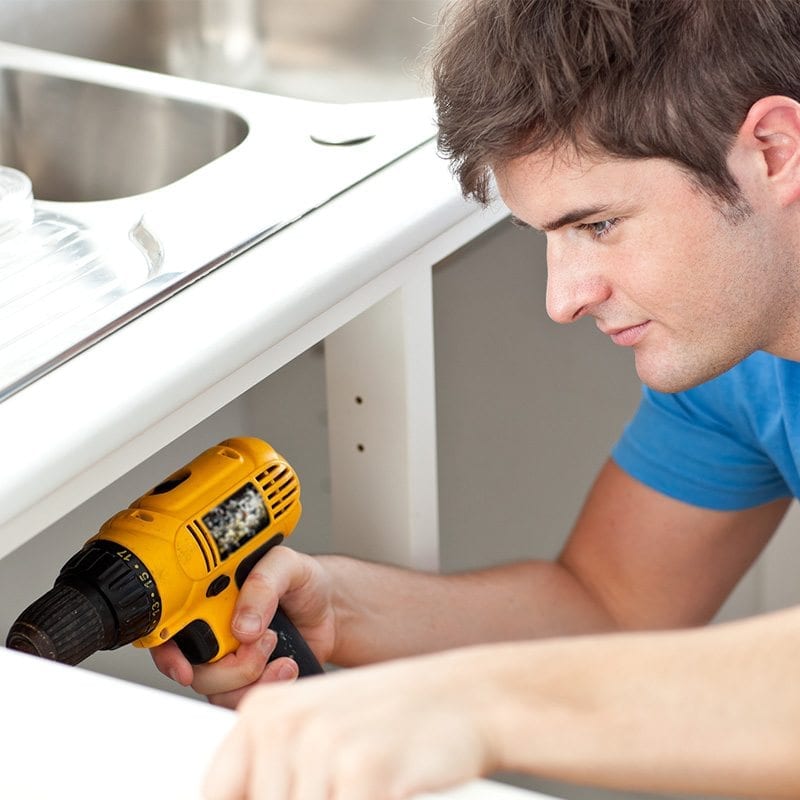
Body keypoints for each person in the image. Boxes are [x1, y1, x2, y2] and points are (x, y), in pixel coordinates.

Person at [154, 0, 800, 797]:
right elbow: (612, 605)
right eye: (550, 237)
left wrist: (479, 707)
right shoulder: (744, 354)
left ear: (773, 151)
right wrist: (342, 612)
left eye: (598, 225)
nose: (563, 299)